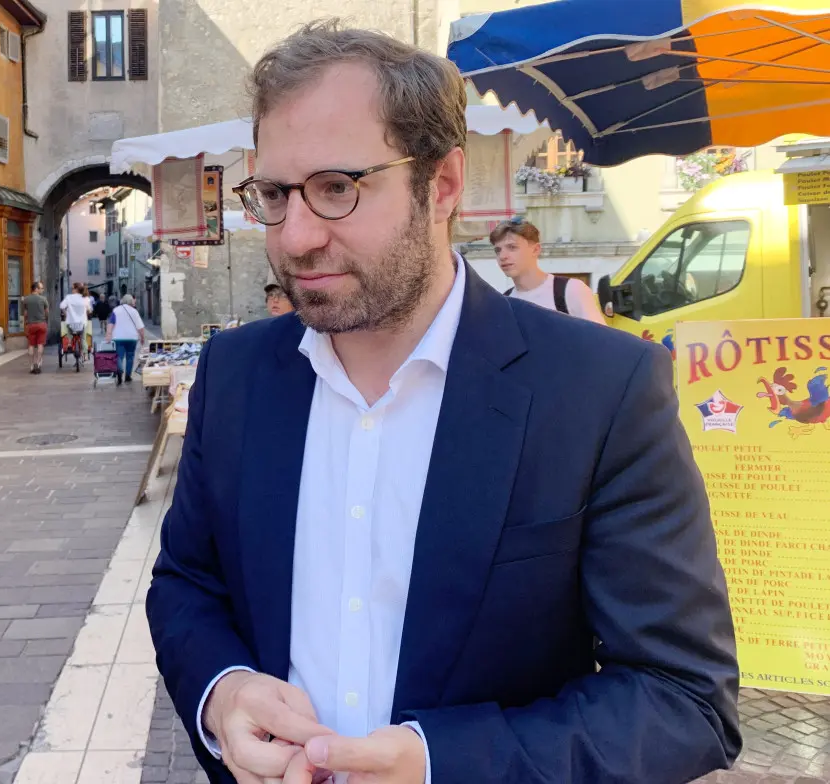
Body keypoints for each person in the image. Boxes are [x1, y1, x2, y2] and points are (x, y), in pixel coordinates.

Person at [146, 20, 739, 784]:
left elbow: (683, 699)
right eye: (272, 194)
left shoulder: (600, 390)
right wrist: (221, 693)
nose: (294, 238)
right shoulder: (236, 373)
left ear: (444, 185)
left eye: (337, 188)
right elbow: (188, 584)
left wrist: (442, 764)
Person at [492, 217, 606, 325]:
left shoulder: (571, 290)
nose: (502, 256)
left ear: (535, 250)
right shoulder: (505, 303)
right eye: (498, 250)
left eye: (512, 247)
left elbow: (601, 340)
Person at [106, 294, 146, 386]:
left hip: (118, 337)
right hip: (132, 338)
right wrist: (142, 337)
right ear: (130, 301)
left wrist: (108, 334)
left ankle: (119, 370)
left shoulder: (116, 310)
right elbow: (140, 327)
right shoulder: (134, 311)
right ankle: (128, 376)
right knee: (130, 356)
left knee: (119, 356)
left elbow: (110, 323)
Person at [23, 281, 49, 374]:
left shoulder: (26, 299)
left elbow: (25, 313)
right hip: (41, 324)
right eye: (41, 288)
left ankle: (31, 366)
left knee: (31, 345)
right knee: (40, 344)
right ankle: (38, 364)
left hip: (31, 325)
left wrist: (26, 322)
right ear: (36, 289)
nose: (42, 290)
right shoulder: (43, 299)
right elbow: (47, 312)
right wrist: (45, 320)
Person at [60, 283, 90, 358]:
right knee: (83, 338)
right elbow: (89, 310)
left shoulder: (69, 297)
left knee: (69, 331)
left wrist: (66, 313)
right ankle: (85, 354)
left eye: (72, 288)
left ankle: (69, 343)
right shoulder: (85, 298)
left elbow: (61, 306)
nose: (71, 290)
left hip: (71, 323)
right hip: (82, 323)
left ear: (76, 289)